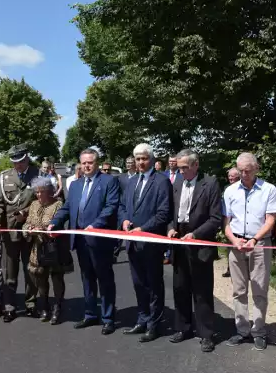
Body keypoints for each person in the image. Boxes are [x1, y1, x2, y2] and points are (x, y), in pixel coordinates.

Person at [50, 148, 120, 335]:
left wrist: (96, 224)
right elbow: (67, 208)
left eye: (90, 162)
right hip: (80, 240)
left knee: (105, 279)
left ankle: (108, 318)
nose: (87, 166)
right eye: (84, 163)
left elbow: (111, 206)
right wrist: (54, 222)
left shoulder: (109, 181)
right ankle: (90, 314)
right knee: (87, 278)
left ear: (96, 163)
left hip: (99, 239)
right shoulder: (75, 185)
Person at [167, 149, 223, 352]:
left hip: (199, 243)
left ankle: (206, 334)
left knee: (202, 291)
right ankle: (183, 328)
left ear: (195, 165)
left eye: (184, 167)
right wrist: (171, 228)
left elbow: (215, 218)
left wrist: (196, 234)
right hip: (179, 242)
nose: (180, 171)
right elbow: (172, 212)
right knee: (180, 287)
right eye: (178, 167)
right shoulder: (177, 183)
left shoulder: (210, 183)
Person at [223, 152, 276, 351]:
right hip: (236, 244)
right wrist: (233, 240)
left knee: (259, 290)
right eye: (240, 170)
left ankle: (259, 331)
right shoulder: (230, 191)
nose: (244, 174)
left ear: (256, 168)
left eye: (247, 170)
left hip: (260, 244)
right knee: (239, 290)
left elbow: (271, 220)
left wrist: (254, 239)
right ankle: (242, 330)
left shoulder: (269, 189)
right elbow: (226, 223)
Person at [119, 143, 172, 343]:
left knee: (154, 285)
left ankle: (154, 325)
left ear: (151, 159)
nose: (140, 162)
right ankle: (142, 319)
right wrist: (123, 220)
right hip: (132, 243)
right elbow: (123, 206)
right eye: (138, 159)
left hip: (150, 242)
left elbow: (163, 213)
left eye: (144, 158)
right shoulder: (131, 182)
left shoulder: (161, 181)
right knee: (138, 283)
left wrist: (143, 229)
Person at [0, 144, 39, 322]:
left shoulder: (38, 175)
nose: (17, 165)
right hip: (9, 231)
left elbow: (42, 202)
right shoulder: (4, 177)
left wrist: (25, 214)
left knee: (31, 271)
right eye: (15, 162)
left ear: (26, 158)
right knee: (9, 273)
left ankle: (31, 304)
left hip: (29, 230)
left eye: (20, 161)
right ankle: (9, 306)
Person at [24, 177, 73, 324]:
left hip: (54, 249)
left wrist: (44, 229)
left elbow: (58, 224)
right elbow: (26, 224)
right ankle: (44, 306)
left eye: (42, 192)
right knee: (40, 280)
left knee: (57, 278)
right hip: (37, 249)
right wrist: (29, 230)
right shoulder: (33, 205)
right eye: (37, 192)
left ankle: (57, 307)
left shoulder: (58, 204)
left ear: (49, 192)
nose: (39, 195)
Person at [221, 167, 240, 278]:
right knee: (230, 246)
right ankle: (230, 268)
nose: (231, 178)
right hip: (228, 221)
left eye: (233, 176)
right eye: (229, 176)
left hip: (239, 222)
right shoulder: (226, 188)